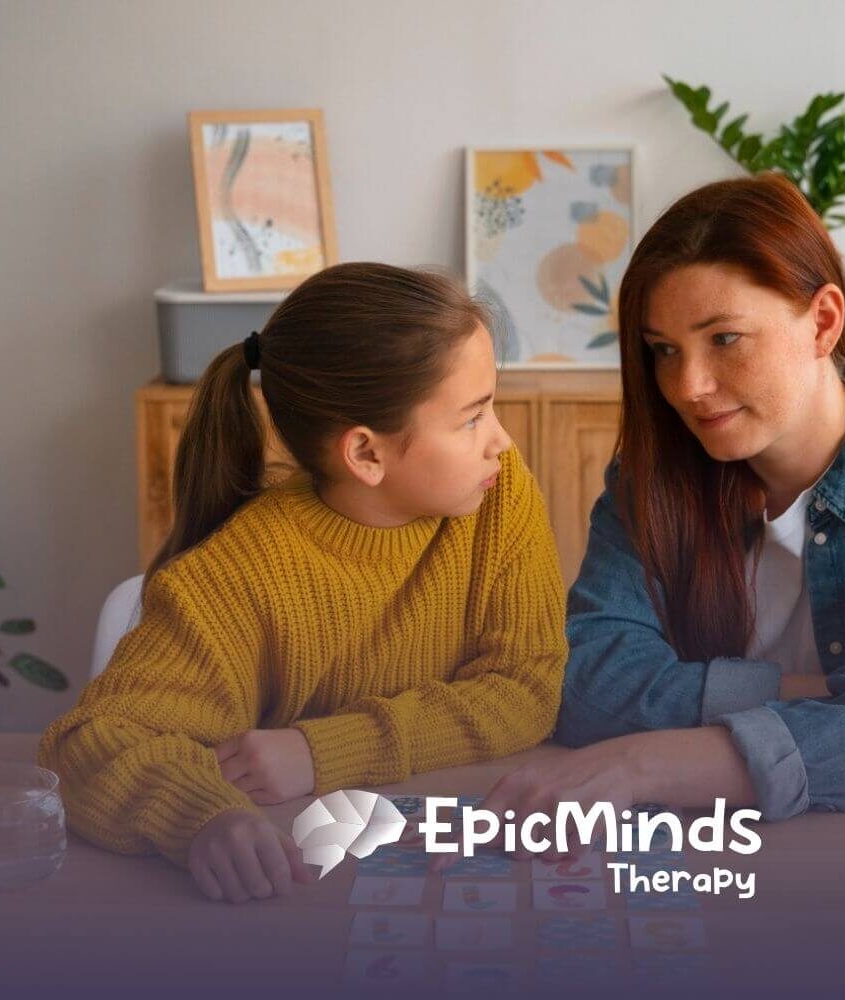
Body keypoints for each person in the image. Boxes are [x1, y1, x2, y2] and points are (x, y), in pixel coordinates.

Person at [481, 174, 845, 827]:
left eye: (724, 338)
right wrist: (834, 698)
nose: (687, 386)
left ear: (823, 322)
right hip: (708, 838)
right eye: (664, 350)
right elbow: (589, 685)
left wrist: (642, 764)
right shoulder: (650, 479)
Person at [38, 263, 567, 902]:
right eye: (472, 418)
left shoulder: (500, 494)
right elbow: (91, 743)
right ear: (365, 454)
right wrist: (204, 819)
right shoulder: (235, 575)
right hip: (304, 876)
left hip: (451, 854)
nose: (502, 441)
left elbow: (527, 686)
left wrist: (323, 750)